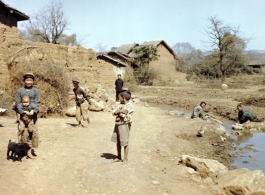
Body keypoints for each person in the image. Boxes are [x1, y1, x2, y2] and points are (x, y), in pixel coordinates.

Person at [15, 73, 40, 148]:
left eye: (30, 80)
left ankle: (31, 150)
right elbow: (17, 103)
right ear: (24, 81)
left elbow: (37, 103)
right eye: (27, 80)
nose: (28, 82)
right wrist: (23, 113)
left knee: (33, 131)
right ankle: (21, 149)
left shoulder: (36, 91)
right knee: (22, 131)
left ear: (33, 81)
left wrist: (33, 111)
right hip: (22, 114)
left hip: (33, 115)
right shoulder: (20, 91)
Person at [111, 91, 134, 164]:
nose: (118, 99)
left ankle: (125, 159)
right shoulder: (120, 105)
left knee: (125, 142)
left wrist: (118, 112)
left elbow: (125, 112)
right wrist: (119, 111)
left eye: (119, 97)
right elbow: (113, 112)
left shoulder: (130, 105)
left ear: (123, 98)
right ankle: (119, 157)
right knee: (118, 142)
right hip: (118, 124)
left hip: (124, 125)